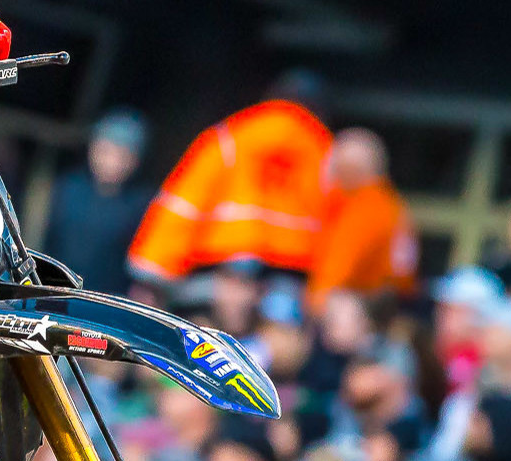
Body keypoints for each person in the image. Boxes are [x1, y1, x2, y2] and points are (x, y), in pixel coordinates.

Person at [128, 74, 331, 287]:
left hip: (221, 266)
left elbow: (183, 207)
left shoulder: (230, 136)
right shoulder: (325, 150)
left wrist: (152, 273)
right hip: (292, 276)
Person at [40, 110, 152, 298]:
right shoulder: (68, 188)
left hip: (108, 301)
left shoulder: (142, 205)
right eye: (105, 151)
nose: (111, 161)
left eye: (121, 154)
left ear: (135, 161)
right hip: (57, 293)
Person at [306, 128, 417, 314]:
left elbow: (337, 270)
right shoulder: (390, 204)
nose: (331, 177)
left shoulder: (366, 208)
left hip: (363, 307)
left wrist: (315, 304)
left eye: (336, 168)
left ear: (351, 170)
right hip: (388, 305)